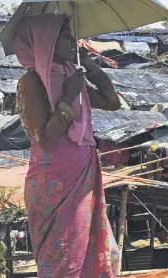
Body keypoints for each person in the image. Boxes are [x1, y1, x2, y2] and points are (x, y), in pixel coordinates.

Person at [14, 14, 122, 277]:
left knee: (90, 253)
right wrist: (70, 94)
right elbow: (44, 138)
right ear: (46, 42)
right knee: (64, 258)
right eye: (64, 35)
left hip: (82, 179)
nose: (73, 40)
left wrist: (90, 68)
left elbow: (112, 102)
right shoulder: (32, 82)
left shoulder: (70, 75)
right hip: (54, 186)